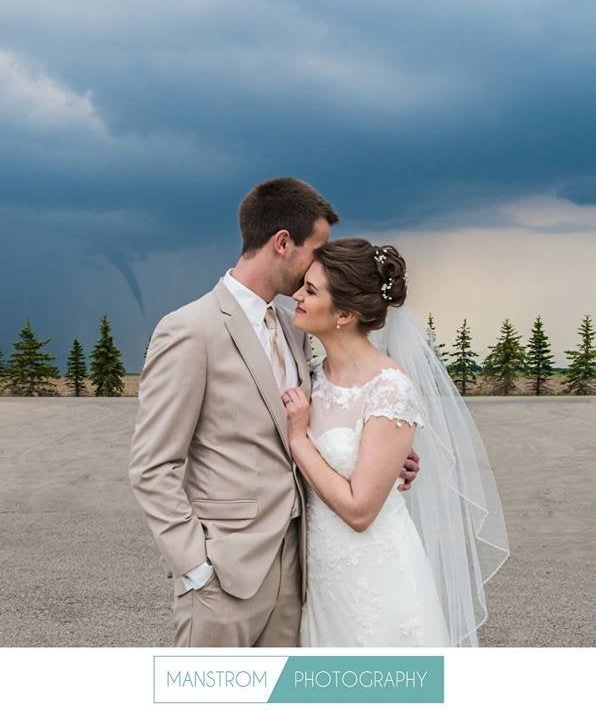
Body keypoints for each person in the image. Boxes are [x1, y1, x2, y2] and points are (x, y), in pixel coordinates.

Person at [128, 178, 421, 647]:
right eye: (318, 248)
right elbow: (152, 465)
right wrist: (195, 568)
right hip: (224, 576)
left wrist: (380, 456)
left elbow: (324, 417)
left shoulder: (296, 327)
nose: (321, 262)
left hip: (301, 572)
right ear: (283, 243)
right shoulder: (190, 330)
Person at [285, 237, 509, 647]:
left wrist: (299, 440)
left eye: (311, 290)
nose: (297, 295)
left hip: (375, 575)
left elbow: (359, 510)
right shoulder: (309, 376)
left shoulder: (390, 388)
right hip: (319, 579)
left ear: (346, 314)